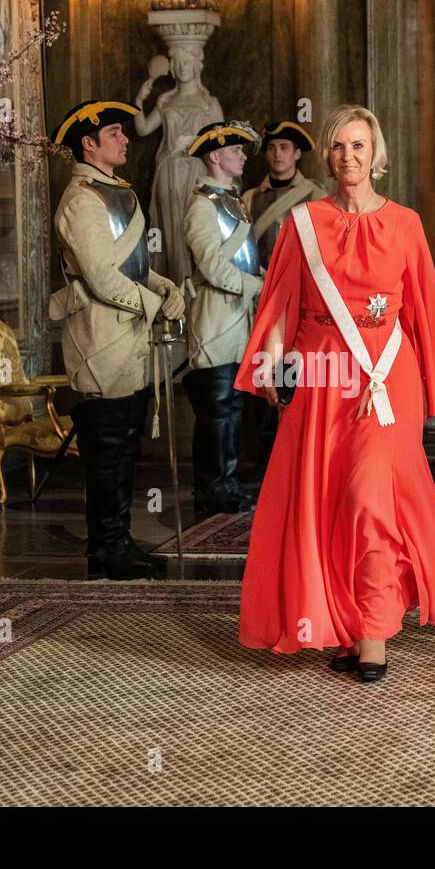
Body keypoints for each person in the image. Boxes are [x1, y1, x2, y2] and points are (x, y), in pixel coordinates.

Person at [235, 104, 435, 683]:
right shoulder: (303, 222)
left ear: (376, 154)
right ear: (326, 156)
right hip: (321, 376)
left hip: (383, 377)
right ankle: (349, 624)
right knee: (327, 504)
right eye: (338, 147)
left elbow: (424, 307)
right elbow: (279, 304)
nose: (348, 157)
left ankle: (374, 635)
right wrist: (273, 367)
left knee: (369, 501)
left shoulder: (405, 223)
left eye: (358, 146)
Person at [49, 99, 186, 579]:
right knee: (106, 450)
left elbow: (133, 268)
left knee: (124, 446)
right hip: (100, 338)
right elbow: (103, 279)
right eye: (114, 133)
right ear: (88, 144)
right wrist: (151, 305)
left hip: (129, 334)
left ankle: (118, 542)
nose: (125, 139)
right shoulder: (82, 199)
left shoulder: (119, 192)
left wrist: (161, 285)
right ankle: (104, 550)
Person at [240, 120, 329, 478]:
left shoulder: (316, 196)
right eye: (272, 148)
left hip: (302, 297)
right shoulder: (249, 198)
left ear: (297, 154)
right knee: (264, 369)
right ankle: (264, 456)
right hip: (260, 293)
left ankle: (293, 454)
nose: (278, 155)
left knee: (294, 373)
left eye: (285, 148)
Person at [183, 121, 261, 513]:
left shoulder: (231, 200)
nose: (243, 156)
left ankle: (226, 484)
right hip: (214, 316)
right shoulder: (202, 205)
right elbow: (213, 267)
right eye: (236, 150)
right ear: (215, 156)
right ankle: (212, 488)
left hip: (236, 316)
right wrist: (256, 288)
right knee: (216, 406)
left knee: (230, 405)